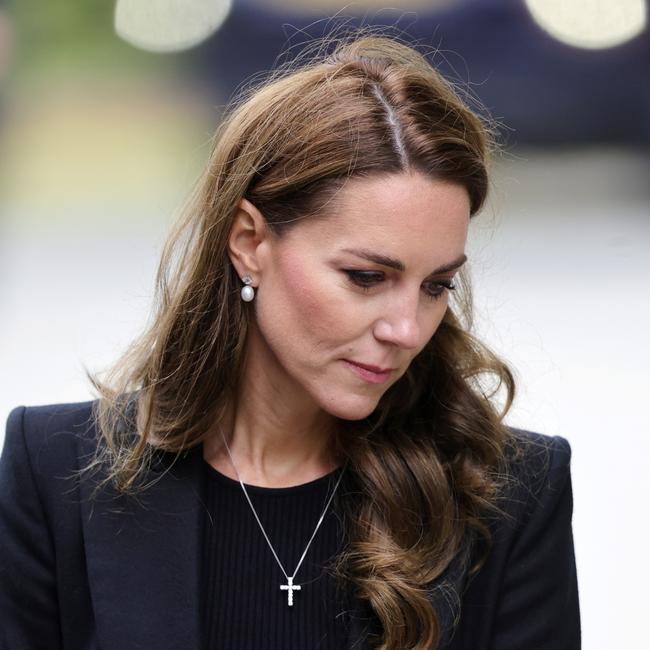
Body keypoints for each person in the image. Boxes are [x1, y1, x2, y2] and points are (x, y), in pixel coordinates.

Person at [0, 34, 580, 650]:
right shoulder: (57, 471)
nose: (406, 329)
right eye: (366, 277)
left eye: (436, 286)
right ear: (249, 242)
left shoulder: (508, 495)